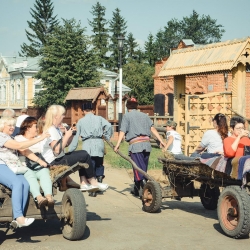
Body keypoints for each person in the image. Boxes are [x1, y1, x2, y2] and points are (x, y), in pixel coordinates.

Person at [40, 104, 108, 192]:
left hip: (58, 158)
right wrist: (66, 136)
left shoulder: (55, 129)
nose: (64, 116)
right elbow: (56, 150)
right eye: (62, 114)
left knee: (82, 154)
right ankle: (93, 182)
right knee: (84, 155)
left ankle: (84, 183)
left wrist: (71, 135)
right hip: (54, 161)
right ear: (56, 116)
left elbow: (65, 145)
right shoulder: (50, 130)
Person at [0, 116, 50, 228]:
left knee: (25, 184)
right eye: (9, 125)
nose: (12, 127)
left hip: (13, 166)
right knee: (17, 183)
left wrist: (39, 161)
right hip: (1, 165)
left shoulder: (11, 137)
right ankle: (19, 217)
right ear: (3, 126)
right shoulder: (1, 137)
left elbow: (24, 150)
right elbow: (19, 145)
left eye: (13, 125)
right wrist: (40, 138)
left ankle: (18, 219)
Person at [114, 98, 166, 197]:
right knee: (143, 168)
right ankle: (136, 189)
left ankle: (145, 190)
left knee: (138, 169)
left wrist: (117, 145)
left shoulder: (127, 116)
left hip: (136, 146)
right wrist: (161, 140)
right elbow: (153, 128)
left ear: (127, 106)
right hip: (147, 145)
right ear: (136, 106)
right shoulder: (144, 116)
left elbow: (122, 131)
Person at [68, 102, 113, 183]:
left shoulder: (81, 121)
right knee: (99, 162)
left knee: (90, 164)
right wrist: (106, 136)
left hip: (87, 144)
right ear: (92, 110)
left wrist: (71, 149)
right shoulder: (99, 118)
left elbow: (76, 136)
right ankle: (99, 177)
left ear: (83, 111)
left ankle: (93, 182)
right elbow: (109, 126)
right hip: (99, 143)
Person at [15, 117, 54, 207]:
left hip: (39, 166)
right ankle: (39, 197)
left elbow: (47, 150)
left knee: (45, 173)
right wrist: (39, 160)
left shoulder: (38, 138)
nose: (37, 129)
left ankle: (49, 197)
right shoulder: (18, 139)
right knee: (30, 176)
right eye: (35, 127)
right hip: (26, 166)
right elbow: (24, 150)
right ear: (28, 128)